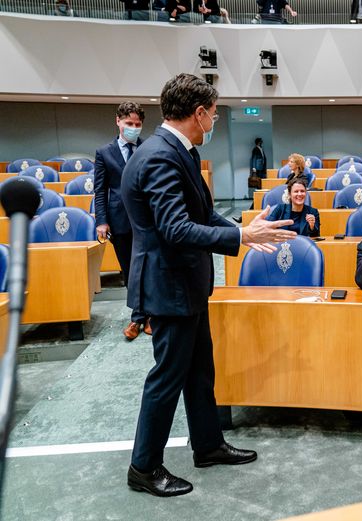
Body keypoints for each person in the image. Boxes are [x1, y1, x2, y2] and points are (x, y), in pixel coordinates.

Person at [121, 73, 297, 497]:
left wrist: (240, 228)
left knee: (200, 371)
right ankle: (144, 467)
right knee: (166, 378)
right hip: (169, 288)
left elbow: (202, 213)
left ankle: (208, 444)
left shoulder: (176, 150)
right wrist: (240, 239)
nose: (214, 121)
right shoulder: (161, 156)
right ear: (199, 114)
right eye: (214, 114)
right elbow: (177, 229)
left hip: (186, 284)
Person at [94, 102, 150, 341]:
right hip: (119, 220)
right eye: (129, 123)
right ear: (118, 121)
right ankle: (139, 316)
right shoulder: (104, 153)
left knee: (149, 268)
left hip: (148, 219)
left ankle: (147, 316)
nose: (134, 128)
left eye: (138, 124)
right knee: (130, 271)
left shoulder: (149, 147)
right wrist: (102, 221)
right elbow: (100, 191)